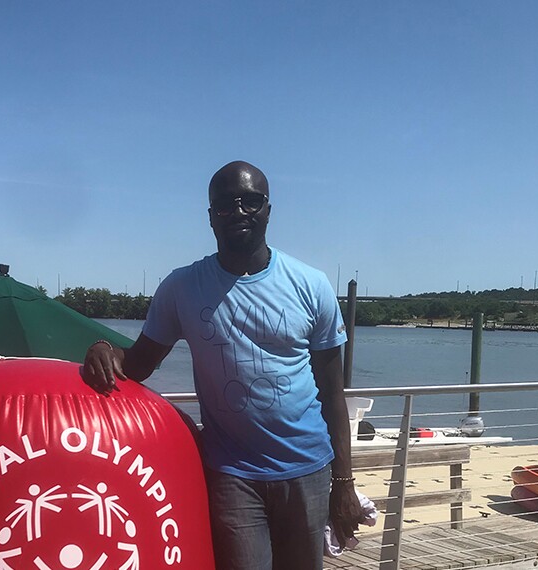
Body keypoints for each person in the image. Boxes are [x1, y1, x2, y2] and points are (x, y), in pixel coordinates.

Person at [82, 160, 363, 570]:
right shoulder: (182, 287)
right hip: (233, 475)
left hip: (309, 470)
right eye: (226, 205)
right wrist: (104, 347)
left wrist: (344, 483)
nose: (239, 212)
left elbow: (333, 396)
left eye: (251, 202)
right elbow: (139, 363)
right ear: (211, 216)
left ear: (269, 209)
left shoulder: (311, 285)